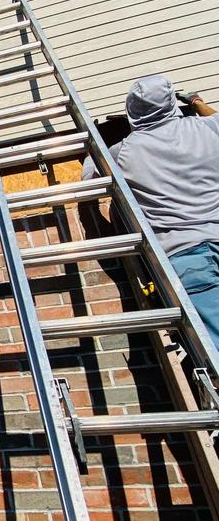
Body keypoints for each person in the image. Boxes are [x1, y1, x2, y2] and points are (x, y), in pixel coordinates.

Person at [82, 74, 219, 348]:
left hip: (186, 258)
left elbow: (89, 180)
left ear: (131, 112)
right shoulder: (209, 128)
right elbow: (211, 116)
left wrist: (95, 144)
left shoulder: (121, 152)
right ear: (172, 104)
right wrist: (196, 101)